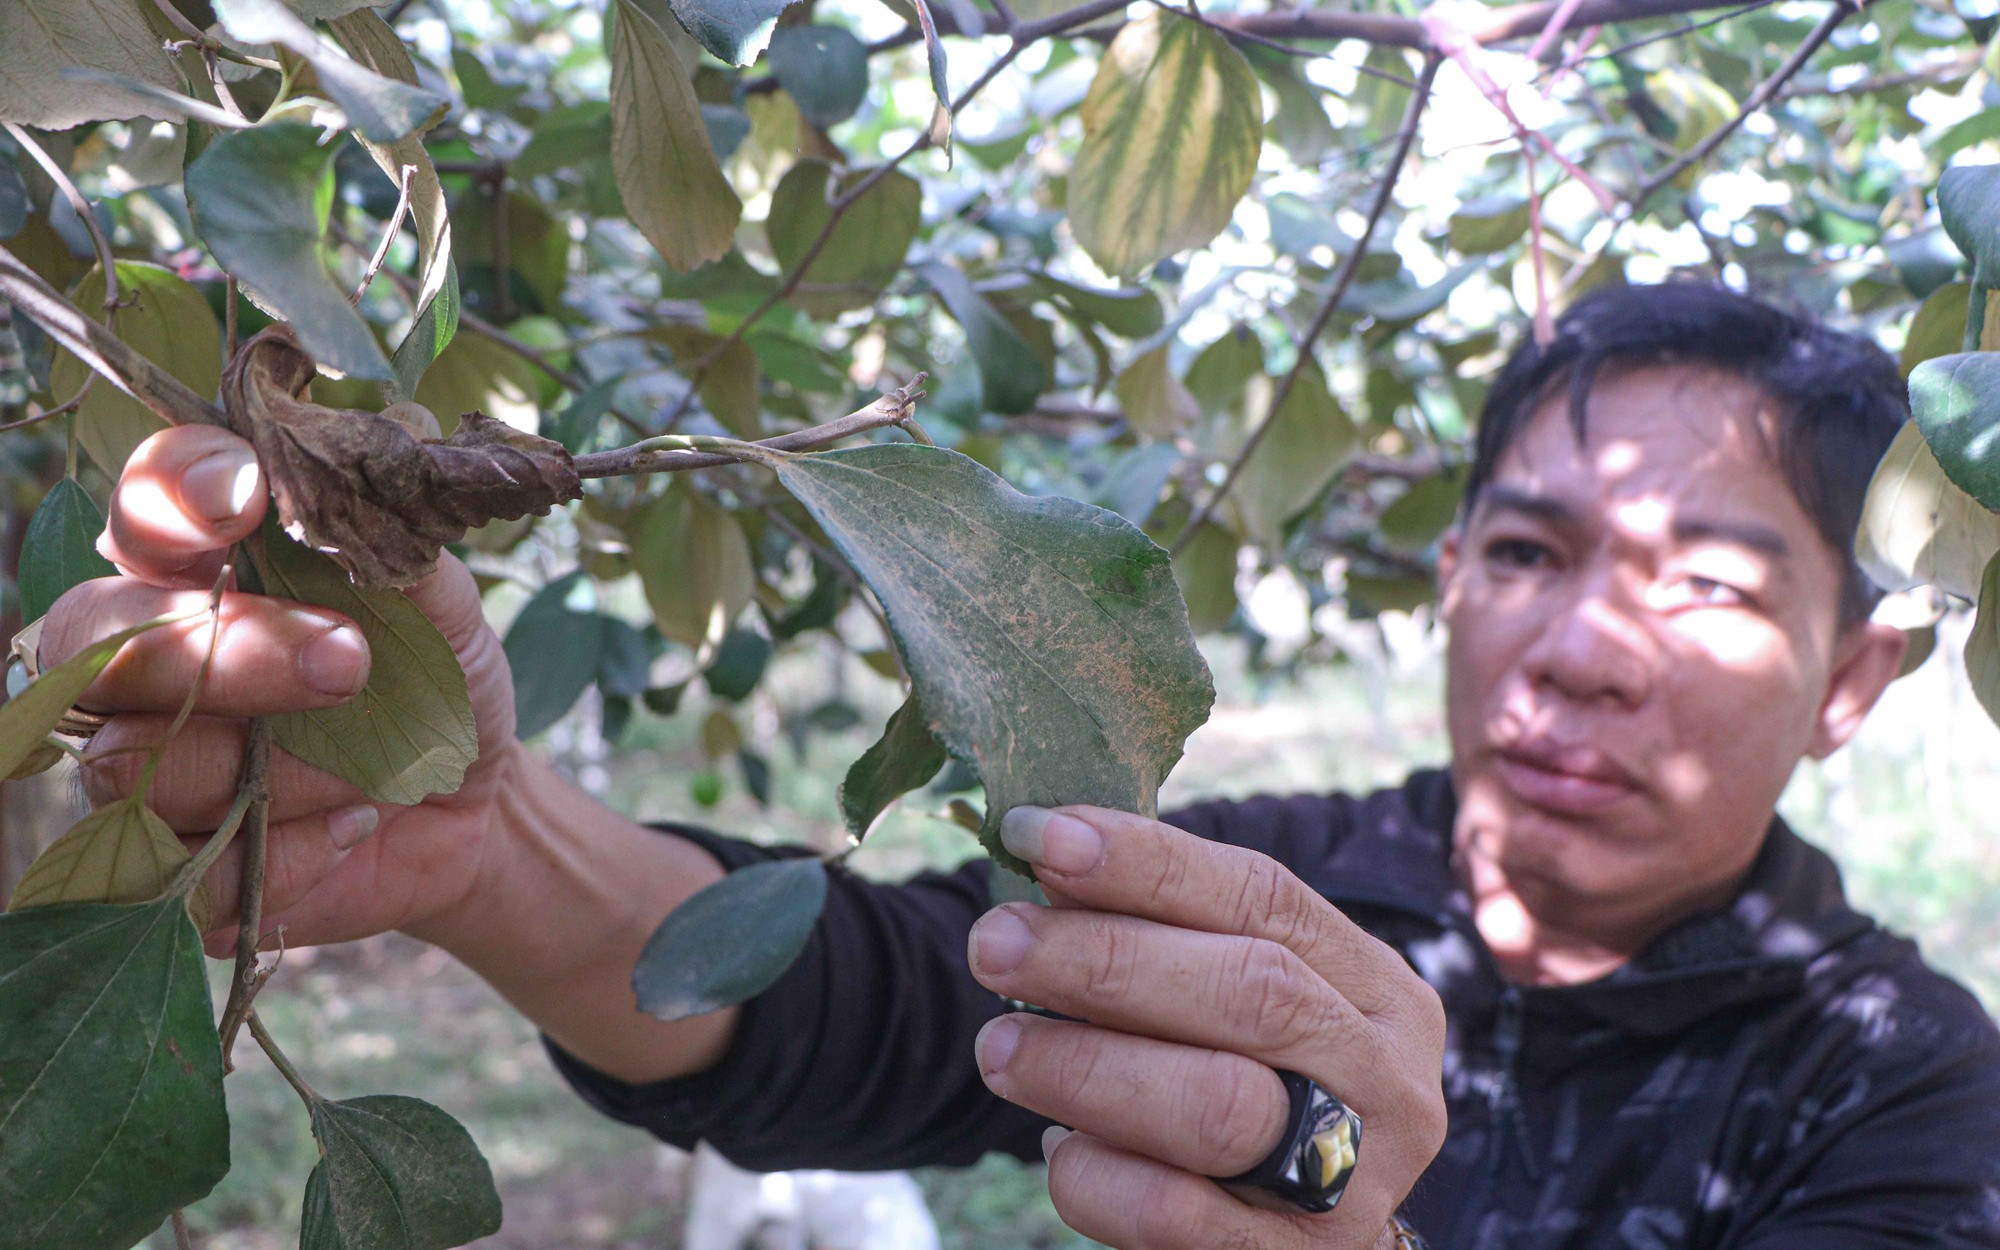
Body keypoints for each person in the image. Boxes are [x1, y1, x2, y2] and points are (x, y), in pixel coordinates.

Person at [32, 282, 2000, 1249]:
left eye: (1713, 586)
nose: (1581, 649)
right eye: (1522, 549)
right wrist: (480, 840)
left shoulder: (1906, 1088)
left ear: (1854, 676)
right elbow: (877, 1003)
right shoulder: (1300, 873)